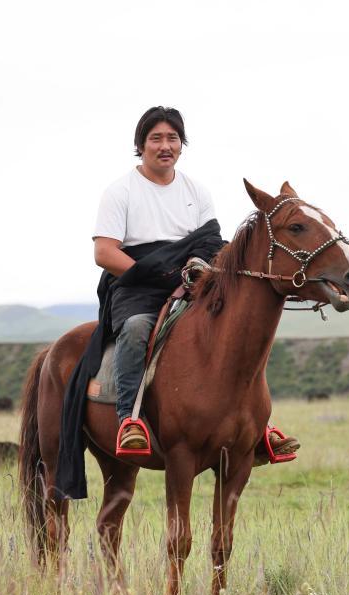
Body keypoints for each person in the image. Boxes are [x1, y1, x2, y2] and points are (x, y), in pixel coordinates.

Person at [92, 105, 300, 459]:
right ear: (141, 145)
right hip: (137, 284)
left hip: (191, 279)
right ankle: (129, 419)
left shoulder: (197, 191)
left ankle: (256, 426)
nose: (165, 146)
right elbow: (105, 253)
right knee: (137, 328)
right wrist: (156, 275)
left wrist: (197, 267)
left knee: (234, 329)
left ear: (181, 144)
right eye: (156, 138)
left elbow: (210, 242)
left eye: (172, 138)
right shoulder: (120, 191)